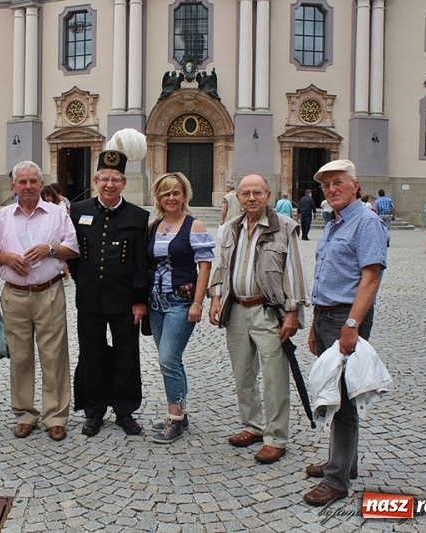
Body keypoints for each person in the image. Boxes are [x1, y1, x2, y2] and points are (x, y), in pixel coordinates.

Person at [208, 174, 308, 465]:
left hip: (268, 311)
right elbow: (222, 266)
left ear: (268, 195)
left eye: (257, 193)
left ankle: (276, 437)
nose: (251, 198)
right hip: (236, 309)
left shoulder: (284, 228)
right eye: (245, 193)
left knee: (275, 376)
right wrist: (215, 297)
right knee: (243, 373)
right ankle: (252, 425)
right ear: (237, 198)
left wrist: (292, 312)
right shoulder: (230, 229)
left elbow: (293, 273)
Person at [303, 159, 387, 506]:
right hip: (325, 316)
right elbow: (326, 276)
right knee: (336, 391)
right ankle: (343, 462)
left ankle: (337, 481)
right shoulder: (335, 223)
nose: (331, 190)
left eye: (338, 183)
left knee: (343, 399)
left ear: (356, 185)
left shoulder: (366, 222)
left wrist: (351, 326)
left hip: (345, 318)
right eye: (326, 185)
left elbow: (371, 278)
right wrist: (313, 325)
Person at [0, 161, 79, 442]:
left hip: (48, 291)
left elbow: (72, 248)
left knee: (54, 356)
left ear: (41, 183)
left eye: (33, 182)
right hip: (14, 293)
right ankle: (25, 414)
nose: (27, 186)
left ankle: (56, 417)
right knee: (21, 356)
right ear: (13, 186)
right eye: (22, 182)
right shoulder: (2, 217)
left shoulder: (57, 213)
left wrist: (50, 249)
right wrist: (7, 257)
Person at [68, 150, 149, 438]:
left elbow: (142, 262)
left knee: (127, 355)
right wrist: (82, 281)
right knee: (92, 354)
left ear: (124, 183)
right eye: (104, 179)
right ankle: (94, 410)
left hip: (124, 300)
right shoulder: (78, 212)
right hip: (89, 298)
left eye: (115, 179)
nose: (109, 184)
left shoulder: (138, 217)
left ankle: (124, 410)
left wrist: (140, 299)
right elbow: (73, 254)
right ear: (95, 180)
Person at [146, 172, 215, 444]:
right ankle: (181, 413)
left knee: (167, 360)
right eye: (166, 193)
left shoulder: (194, 226)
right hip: (156, 302)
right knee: (172, 360)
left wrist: (198, 302)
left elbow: (205, 265)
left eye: (176, 192)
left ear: (184, 195)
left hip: (180, 301)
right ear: (159, 197)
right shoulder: (154, 226)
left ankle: (173, 418)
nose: (171, 197)